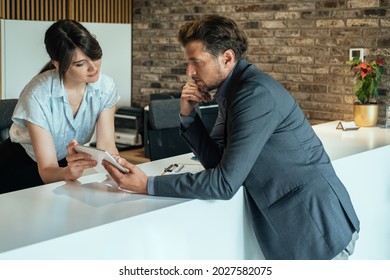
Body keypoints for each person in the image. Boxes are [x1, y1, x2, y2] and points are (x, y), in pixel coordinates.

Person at [103, 15, 360, 260]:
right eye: (188, 63)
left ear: (227, 58)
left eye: (197, 62)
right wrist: (188, 116)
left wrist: (149, 184)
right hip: (302, 228)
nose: (190, 72)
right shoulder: (234, 91)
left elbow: (224, 184)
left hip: (317, 228)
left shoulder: (254, 95)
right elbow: (219, 164)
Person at [0, 19, 119, 193]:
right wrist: (68, 172)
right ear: (57, 64)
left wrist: (117, 168)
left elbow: (107, 145)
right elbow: (47, 170)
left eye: (94, 56)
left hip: (65, 163)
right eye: (80, 64)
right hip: (18, 166)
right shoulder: (38, 94)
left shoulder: (105, 87)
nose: (93, 67)